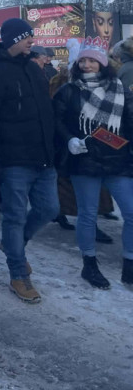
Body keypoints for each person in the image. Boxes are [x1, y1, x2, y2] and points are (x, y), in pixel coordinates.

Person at [0, 18, 59, 303]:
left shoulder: (35, 71)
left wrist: (55, 147)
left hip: (43, 158)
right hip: (13, 161)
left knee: (49, 209)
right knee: (15, 217)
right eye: (26, 38)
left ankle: (14, 245)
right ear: (12, 40)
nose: (32, 42)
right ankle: (19, 275)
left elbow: (46, 113)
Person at [53, 36, 133, 288]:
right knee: (88, 214)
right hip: (84, 160)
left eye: (92, 60)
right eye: (83, 60)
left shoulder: (119, 88)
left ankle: (129, 262)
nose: (87, 65)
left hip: (116, 160)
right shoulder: (69, 90)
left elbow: (129, 122)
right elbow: (57, 122)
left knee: (131, 213)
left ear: (102, 63)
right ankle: (90, 264)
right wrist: (69, 140)